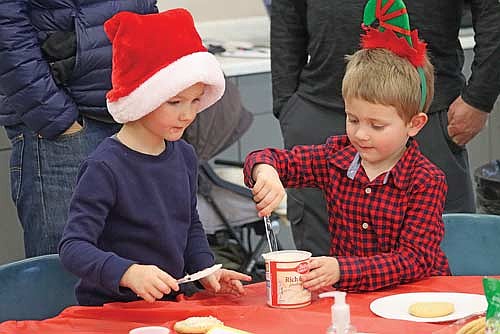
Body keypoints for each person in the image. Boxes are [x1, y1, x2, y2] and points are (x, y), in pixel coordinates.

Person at [243, 5, 450, 291]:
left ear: (414, 124)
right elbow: (274, 159)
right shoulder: (335, 158)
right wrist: (265, 171)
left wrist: (342, 269)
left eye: (377, 126)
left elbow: (414, 260)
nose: (361, 134)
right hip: (353, 302)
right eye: (353, 119)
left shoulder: (426, 181)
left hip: (414, 300)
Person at [271, 0, 500, 255]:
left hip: (426, 118)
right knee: (320, 272)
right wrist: (287, 105)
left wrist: (480, 97)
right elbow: (286, 10)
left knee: (441, 264)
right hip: (318, 111)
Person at [59, 9, 252, 306]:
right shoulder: (105, 166)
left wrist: (205, 270)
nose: (187, 115)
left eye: (195, 101)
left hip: (168, 305)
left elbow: (189, 225)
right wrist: (127, 273)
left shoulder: (184, 155)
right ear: (142, 97)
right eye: (174, 102)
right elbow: (73, 247)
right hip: (110, 311)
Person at [0, 0, 159, 257]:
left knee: (142, 266)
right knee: (67, 274)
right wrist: (58, 120)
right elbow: (6, 28)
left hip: (135, 107)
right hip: (67, 120)